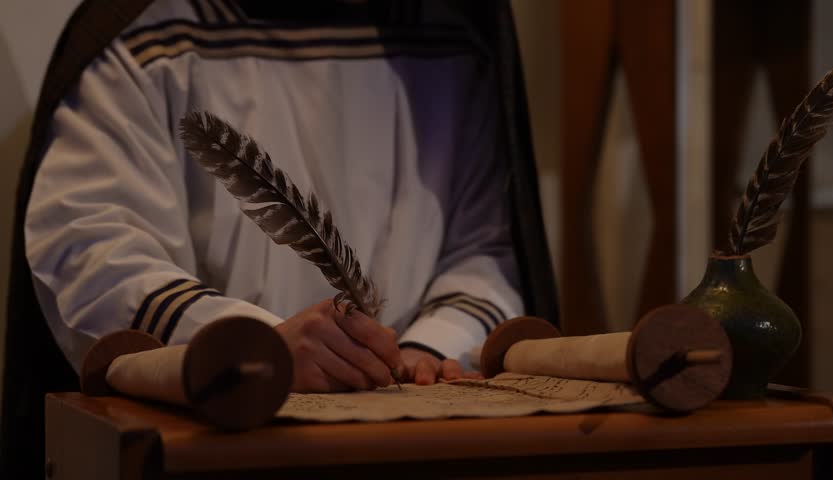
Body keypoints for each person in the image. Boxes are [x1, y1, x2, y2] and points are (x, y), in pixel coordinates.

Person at [2, 0, 558, 475]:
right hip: (218, 446)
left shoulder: (451, 33)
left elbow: (490, 248)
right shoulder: (150, 33)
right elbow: (90, 248)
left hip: (420, 433)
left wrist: (425, 352)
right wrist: (255, 348)